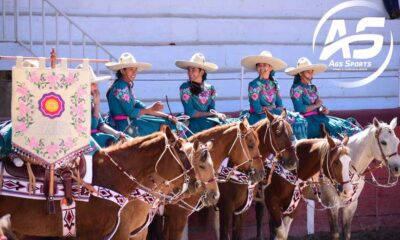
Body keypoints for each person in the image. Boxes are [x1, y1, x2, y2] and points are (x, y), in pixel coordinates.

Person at [287, 57, 362, 139]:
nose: (311, 75)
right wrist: (316, 106)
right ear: (301, 73)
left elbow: (319, 106)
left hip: (319, 118)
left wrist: (322, 110)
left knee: (344, 125)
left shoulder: (313, 88)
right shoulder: (296, 88)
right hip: (307, 122)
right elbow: (300, 109)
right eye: (308, 72)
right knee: (337, 128)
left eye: (312, 72)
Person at [240, 51, 308, 140]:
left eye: (264, 65)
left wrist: (274, 109)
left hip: (274, 114)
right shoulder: (253, 85)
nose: (261, 67)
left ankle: (298, 148)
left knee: (299, 121)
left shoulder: (275, 83)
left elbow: (280, 105)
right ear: (257, 68)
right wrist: (272, 108)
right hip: (260, 116)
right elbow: (258, 109)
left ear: (270, 67)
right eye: (259, 65)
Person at [106, 52, 176, 137]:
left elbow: (144, 108)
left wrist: (167, 116)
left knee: (166, 122)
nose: (134, 72)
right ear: (122, 70)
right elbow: (132, 112)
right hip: (124, 126)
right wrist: (152, 109)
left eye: (135, 69)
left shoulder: (126, 85)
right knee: (163, 129)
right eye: (131, 69)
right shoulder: (121, 87)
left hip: (130, 122)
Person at [176, 53, 230, 136]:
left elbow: (212, 109)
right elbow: (190, 113)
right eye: (189, 70)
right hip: (192, 124)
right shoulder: (185, 88)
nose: (190, 72)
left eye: (193, 69)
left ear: (202, 72)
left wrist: (217, 114)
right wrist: (211, 114)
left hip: (208, 122)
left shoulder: (211, 88)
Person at [76, 64, 127, 147]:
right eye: (92, 84)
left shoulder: (90, 102)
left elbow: (101, 125)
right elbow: (92, 127)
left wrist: (117, 133)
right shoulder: (78, 104)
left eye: (95, 83)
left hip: (96, 138)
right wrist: (96, 105)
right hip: (86, 143)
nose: (96, 86)